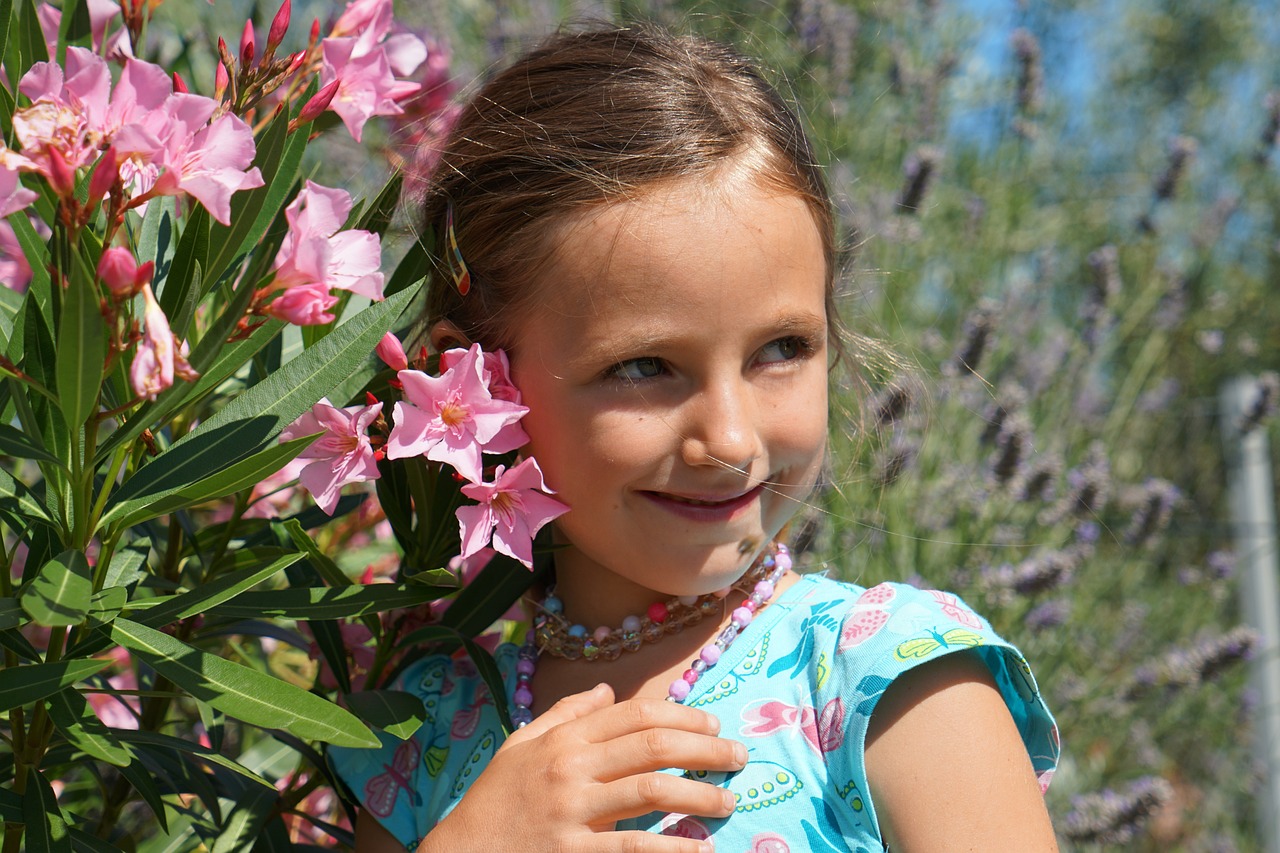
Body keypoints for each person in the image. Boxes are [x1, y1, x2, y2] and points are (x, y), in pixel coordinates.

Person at [332, 23, 1060, 852]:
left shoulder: (889, 681)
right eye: (645, 367)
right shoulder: (426, 731)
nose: (731, 437)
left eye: (782, 349)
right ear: (470, 377)